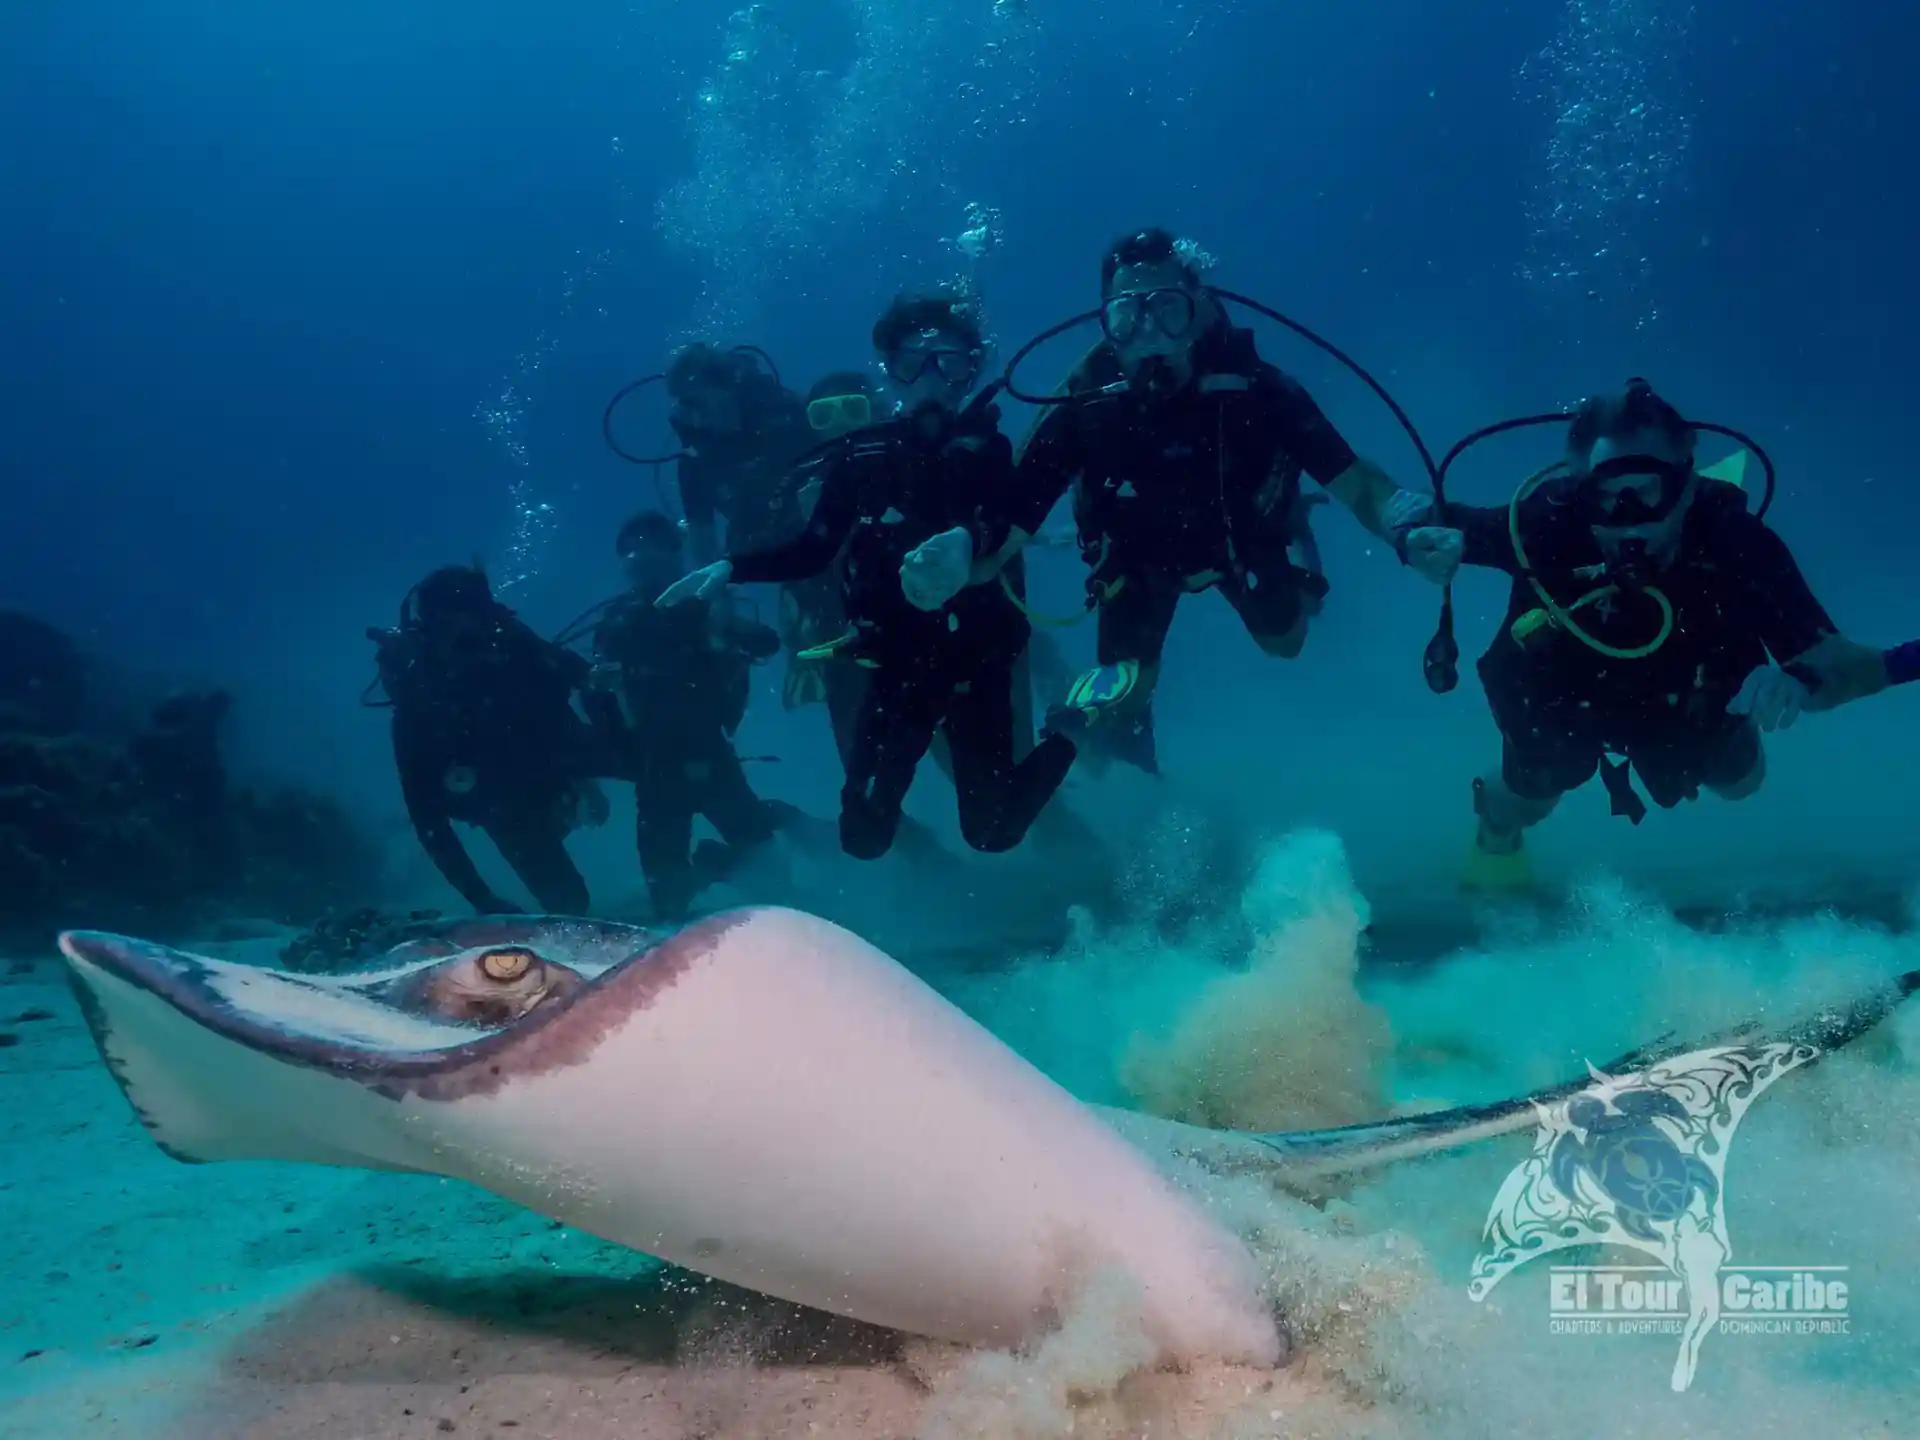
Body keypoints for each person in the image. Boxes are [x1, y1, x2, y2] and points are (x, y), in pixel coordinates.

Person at [1000, 227, 1458, 760]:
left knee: (1285, 644)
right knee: (1127, 685)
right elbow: (1008, 509)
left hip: (1245, 537)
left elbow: (1358, 484)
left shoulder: (1258, 390)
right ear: (1107, 323)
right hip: (1139, 555)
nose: (1148, 335)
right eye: (1127, 316)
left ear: (1197, 310)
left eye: (1166, 309)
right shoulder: (1083, 403)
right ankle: (1120, 735)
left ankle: (1296, 523)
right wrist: (963, 549)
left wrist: (1402, 526)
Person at [657, 292, 1080, 860]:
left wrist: (965, 542)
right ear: (891, 373)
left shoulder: (987, 447)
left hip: (976, 656)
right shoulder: (860, 458)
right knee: (861, 836)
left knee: (993, 829)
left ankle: (1074, 732)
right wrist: (733, 567)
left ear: (971, 369)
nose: (930, 380)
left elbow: (1000, 518)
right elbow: (812, 549)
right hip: (897, 658)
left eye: (948, 363)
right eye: (912, 363)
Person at [1446, 379, 1897, 888]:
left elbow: (1848, 666)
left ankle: (1728, 738)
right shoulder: (1545, 524)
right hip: (1562, 693)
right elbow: (1427, 516)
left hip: (1692, 690)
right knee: (1533, 792)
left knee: (1739, 780)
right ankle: (1496, 826)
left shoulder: (1734, 541)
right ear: (1581, 492)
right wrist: (1411, 530)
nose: (1630, 518)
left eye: (1649, 491)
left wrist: (1800, 678)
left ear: (1685, 488)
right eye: (1609, 496)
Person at [372, 565, 620, 915]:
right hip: (501, 797)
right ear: (428, 631)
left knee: (651, 757)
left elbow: (574, 674)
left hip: (551, 759)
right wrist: (481, 899)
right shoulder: (418, 703)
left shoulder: (513, 643)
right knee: (569, 900)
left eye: (472, 620)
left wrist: (600, 700)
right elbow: (428, 819)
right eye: (447, 625)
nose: (465, 639)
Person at [593, 511, 791, 920]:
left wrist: (730, 636)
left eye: (651, 545)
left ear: (673, 552)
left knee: (773, 879)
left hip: (711, 757)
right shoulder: (616, 622)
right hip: (655, 770)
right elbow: (599, 699)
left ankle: (719, 862)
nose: (639, 556)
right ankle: (711, 867)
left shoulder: (706, 607)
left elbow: (764, 642)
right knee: (666, 901)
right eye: (631, 549)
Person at [664, 343, 816, 565]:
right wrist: (716, 594)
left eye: (693, 403)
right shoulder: (696, 457)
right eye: (682, 406)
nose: (689, 417)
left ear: (728, 389)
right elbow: (701, 536)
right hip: (781, 560)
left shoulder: (789, 420)